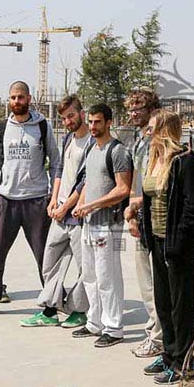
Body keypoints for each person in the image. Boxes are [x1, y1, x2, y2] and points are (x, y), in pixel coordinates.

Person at [137, 109, 194, 385]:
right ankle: (169, 354)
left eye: (152, 128)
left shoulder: (184, 162)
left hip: (178, 245)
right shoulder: (153, 159)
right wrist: (146, 232)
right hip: (157, 241)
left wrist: (178, 242)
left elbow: (192, 207)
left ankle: (183, 360)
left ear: (164, 130)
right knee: (163, 302)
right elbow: (146, 200)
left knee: (181, 305)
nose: (147, 132)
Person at [0, 81, 60, 320]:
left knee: (45, 255)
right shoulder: (2, 128)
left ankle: (51, 303)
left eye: (20, 97)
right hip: (6, 200)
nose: (16, 102)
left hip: (36, 201)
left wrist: (52, 196)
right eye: (13, 97)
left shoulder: (43, 127)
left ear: (29, 98)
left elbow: (55, 162)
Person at [19, 95, 91, 328]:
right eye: (63, 118)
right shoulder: (68, 138)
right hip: (59, 213)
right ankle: (50, 311)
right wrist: (53, 199)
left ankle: (79, 310)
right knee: (49, 262)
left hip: (78, 216)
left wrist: (66, 207)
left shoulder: (92, 142)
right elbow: (59, 168)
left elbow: (85, 181)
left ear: (82, 113)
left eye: (71, 115)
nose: (67, 121)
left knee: (84, 266)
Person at [71, 103, 133, 348]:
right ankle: (94, 321)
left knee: (108, 276)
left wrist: (94, 205)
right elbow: (88, 182)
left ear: (109, 122)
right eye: (91, 121)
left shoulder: (118, 151)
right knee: (90, 275)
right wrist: (82, 204)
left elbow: (123, 188)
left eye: (98, 122)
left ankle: (114, 327)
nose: (93, 126)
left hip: (107, 224)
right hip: (88, 222)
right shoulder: (92, 149)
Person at [123, 89, 164, 358]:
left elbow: (155, 182)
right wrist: (131, 210)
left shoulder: (157, 141)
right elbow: (136, 177)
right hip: (139, 214)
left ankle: (158, 336)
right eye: (130, 109)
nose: (133, 114)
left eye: (138, 109)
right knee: (144, 280)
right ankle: (154, 330)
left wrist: (139, 210)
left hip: (154, 218)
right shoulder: (138, 140)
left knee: (155, 282)